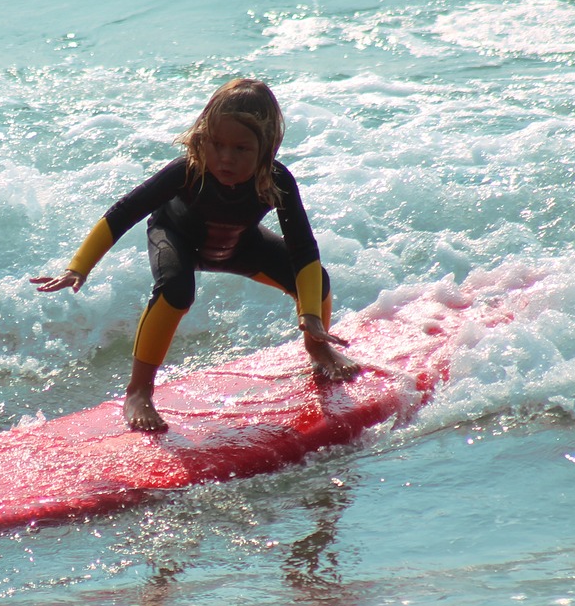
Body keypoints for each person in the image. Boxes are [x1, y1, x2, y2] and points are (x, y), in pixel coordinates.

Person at [32, 78, 359, 432]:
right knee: (175, 291)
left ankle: (318, 349)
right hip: (177, 238)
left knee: (315, 279)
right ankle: (139, 391)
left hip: (239, 247)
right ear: (203, 137)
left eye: (241, 148)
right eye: (216, 144)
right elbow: (124, 212)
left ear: (267, 148)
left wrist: (310, 314)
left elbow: (303, 248)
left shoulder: (276, 180)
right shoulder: (187, 171)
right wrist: (79, 267)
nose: (225, 158)